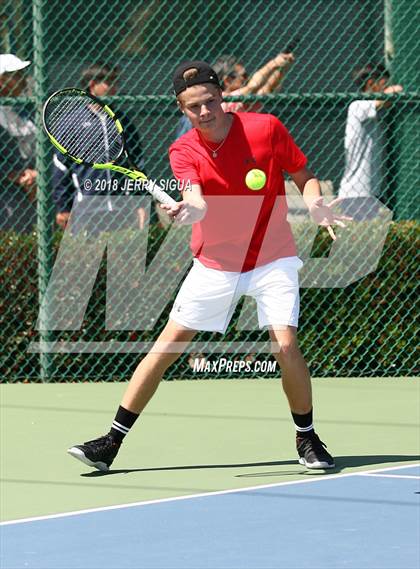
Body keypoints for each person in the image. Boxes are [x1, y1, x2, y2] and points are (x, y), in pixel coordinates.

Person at [68, 60, 351, 472]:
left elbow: (302, 174)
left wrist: (313, 201)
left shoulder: (265, 128)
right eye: (192, 107)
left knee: (285, 345)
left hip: (272, 257)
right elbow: (196, 198)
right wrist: (188, 211)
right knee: (166, 348)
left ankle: (307, 437)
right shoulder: (183, 150)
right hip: (216, 263)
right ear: (182, 110)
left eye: (210, 102)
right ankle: (111, 441)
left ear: (222, 98)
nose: (204, 113)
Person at [52, 63, 147, 234]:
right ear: (93, 85)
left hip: (122, 211)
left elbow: (137, 164)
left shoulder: (124, 121)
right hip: (85, 211)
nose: (115, 88)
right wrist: (63, 207)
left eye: (116, 82)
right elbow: (61, 166)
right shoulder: (71, 122)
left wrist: (140, 203)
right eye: (110, 82)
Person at [175, 50, 295, 139]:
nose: (246, 79)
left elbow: (268, 88)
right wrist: (274, 63)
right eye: (243, 76)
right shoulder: (220, 100)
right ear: (227, 80)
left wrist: (282, 69)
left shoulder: (241, 101)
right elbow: (253, 86)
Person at [338, 63, 403, 220]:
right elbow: (391, 95)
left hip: (373, 192)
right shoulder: (358, 106)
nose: (386, 86)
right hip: (356, 193)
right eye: (383, 83)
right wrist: (397, 88)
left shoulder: (374, 111)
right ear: (370, 84)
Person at [0, 54, 37, 232]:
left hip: (33, 188)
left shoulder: (27, 108)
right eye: (16, 74)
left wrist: (36, 175)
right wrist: (16, 176)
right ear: (1, 80)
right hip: (6, 193)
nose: (23, 78)